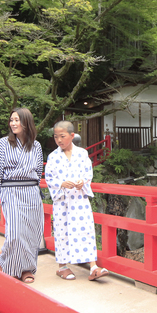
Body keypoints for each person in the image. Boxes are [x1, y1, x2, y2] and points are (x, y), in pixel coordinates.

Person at [45, 120, 109, 281]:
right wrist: (61, 184)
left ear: (72, 136)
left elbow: (88, 173)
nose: (59, 140)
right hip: (62, 202)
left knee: (86, 230)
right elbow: (49, 178)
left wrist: (83, 182)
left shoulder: (82, 153)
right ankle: (62, 267)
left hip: (79, 200)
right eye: (56, 137)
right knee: (62, 232)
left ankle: (93, 266)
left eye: (62, 136)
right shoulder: (53, 157)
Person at [0, 107, 44, 283]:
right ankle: (10, 267)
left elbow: (39, 170)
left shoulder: (36, 145)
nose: (13, 123)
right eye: (11, 120)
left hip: (31, 191)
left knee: (32, 232)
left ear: (26, 122)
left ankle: (27, 268)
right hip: (11, 190)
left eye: (17, 120)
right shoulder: (2, 143)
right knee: (15, 232)